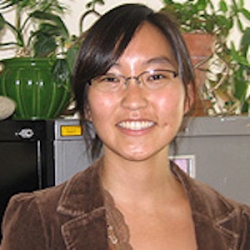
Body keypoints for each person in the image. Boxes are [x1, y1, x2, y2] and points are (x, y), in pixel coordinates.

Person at [1, 3, 250, 250]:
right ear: (86, 105)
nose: (134, 100)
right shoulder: (39, 220)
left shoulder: (239, 227)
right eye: (110, 78)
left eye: (155, 76)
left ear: (188, 95)